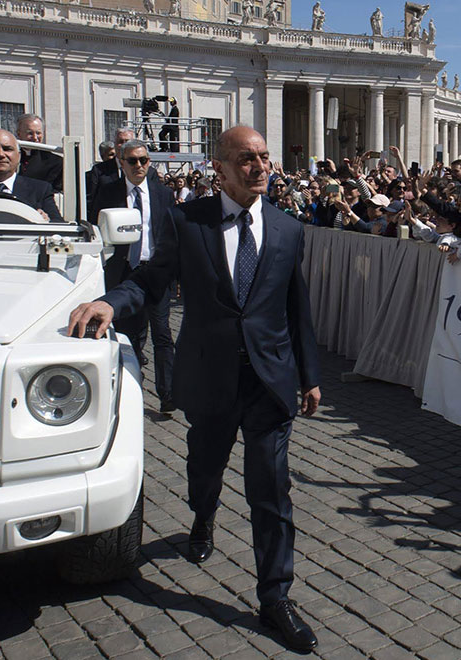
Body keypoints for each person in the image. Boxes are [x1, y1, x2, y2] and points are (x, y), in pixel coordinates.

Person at [67, 125, 322, 653]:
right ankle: (202, 517)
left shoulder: (289, 229)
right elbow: (150, 280)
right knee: (205, 468)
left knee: (271, 492)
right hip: (210, 379)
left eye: (264, 158)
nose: (259, 167)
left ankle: (276, 597)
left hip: (269, 383)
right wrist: (112, 303)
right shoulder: (188, 223)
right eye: (245, 159)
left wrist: (310, 376)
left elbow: (297, 308)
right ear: (220, 169)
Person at [88, 138, 178, 412]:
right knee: (130, 337)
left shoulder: (162, 193)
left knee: (162, 335)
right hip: (125, 274)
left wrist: (174, 275)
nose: (139, 166)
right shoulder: (108, 192)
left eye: (144, 160)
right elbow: (96, 230)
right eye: (132, 161)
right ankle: (132, 391)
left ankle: (168, 394)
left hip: (156, 272)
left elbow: (171, 235)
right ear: (121, 163)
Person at [16, 114, 63, 193]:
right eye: (30, 133)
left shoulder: (55, 162)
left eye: (38, 133)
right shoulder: (11, 157)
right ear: (19, 134)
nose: (35, 137)